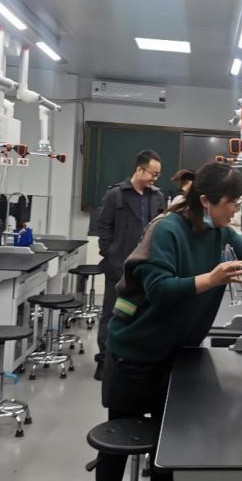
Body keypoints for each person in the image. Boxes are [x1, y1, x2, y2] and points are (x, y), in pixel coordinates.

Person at [97, 162, 242, 481]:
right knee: (120, 437)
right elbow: (160, 289)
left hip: (179, 352)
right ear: (205, 200)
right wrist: (211, 279)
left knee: (168, 441)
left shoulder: (221, 232)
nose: (235, 210)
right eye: (230, 202)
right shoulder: (167, 230)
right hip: (136, 352)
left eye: (238, 202)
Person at [95, 150, 167, 380]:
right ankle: (104, 360)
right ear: (139, 169)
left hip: (146, 266)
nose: (156, 178)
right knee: (112, 313)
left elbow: (161, 227)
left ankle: (132, 358)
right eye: (153, 173)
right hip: (118, 265)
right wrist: (110, 253)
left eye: (158, 174)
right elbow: (103, 226)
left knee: (141, 314)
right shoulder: (116, 194)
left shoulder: (157, 196)